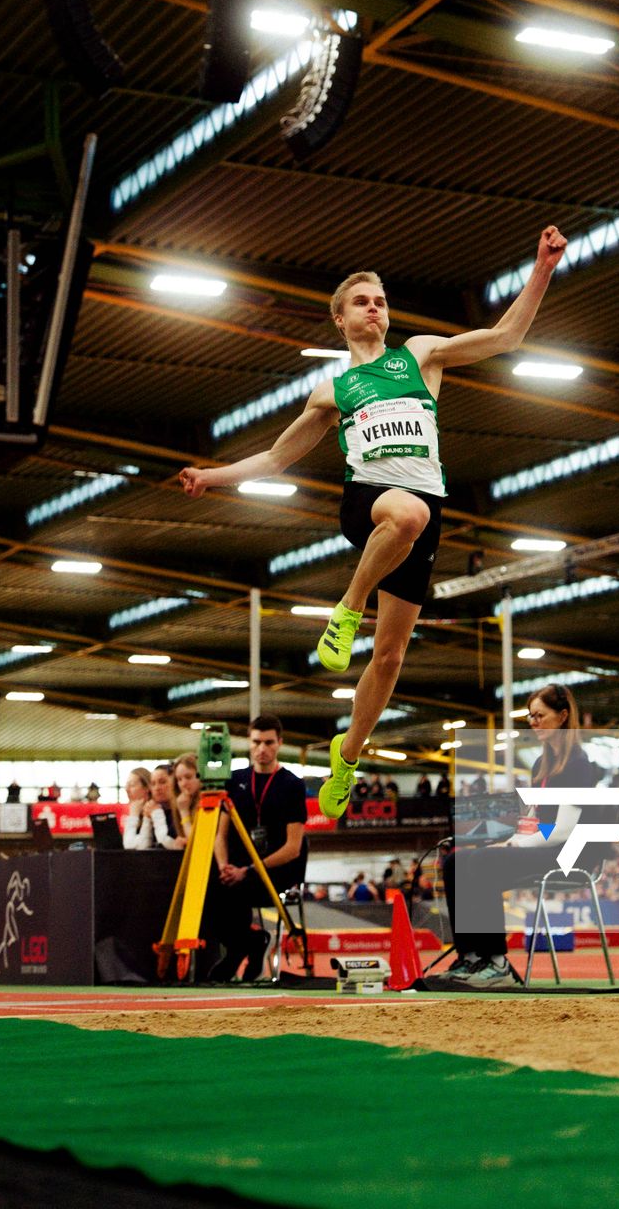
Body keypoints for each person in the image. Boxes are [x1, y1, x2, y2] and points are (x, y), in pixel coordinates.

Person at [176, 226, 570, 820]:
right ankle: (348, 607)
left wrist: (542, 266)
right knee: (404, 513)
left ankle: (348, 754)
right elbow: (277, 459)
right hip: (371, 500)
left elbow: (506, 336)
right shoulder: (333, 390)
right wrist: (213, 476)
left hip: (424, 509)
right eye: (362, 301)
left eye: (381, 300)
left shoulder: (421, 355)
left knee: (389, 658)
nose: (375, 308)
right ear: (340, 319)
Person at [440, 683, 607, 987]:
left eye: (540, 715)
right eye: (530, 717)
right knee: (455, 862)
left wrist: (515, 843)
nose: (534, 723)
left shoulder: (579, 765)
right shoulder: (540, 765)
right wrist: (508, 837)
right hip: (546, 845)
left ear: (563, 716)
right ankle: (471, 956)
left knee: (485, 861)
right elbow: (538, 821)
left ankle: (497, 962)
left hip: (571, 853)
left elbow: (564, 831)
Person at [205, 715, 310, 982]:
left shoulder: (293, 785)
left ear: (279, 743)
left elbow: (293, 848)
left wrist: (248, 870)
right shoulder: (233, 780)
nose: (262, 749)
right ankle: (249, 943)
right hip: (236, 868)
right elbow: (221, 834)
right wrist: (224, 866)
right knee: (206, 892)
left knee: (239, 889)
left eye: (268, 742)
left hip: (277, 872)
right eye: (256, 742)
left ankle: (245, 947)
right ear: (248, 744)